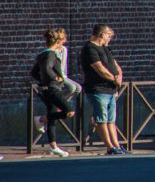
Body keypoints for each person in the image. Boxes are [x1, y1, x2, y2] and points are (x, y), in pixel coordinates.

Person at [80, 24, 126, 155]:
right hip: (98, 89)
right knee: (101, 119)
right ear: (102, 34)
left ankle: (117, 146)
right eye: (109, 35)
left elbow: (114, 64)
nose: (110, 38)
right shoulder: (90, 48)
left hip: (110, 89)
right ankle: (109, 147)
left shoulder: (105, 48)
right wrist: (113, 79)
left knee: (111, 120)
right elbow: (98, 68)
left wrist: (119, 76)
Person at [32, 29, 76, 157]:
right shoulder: (51, 54)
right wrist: (56, 78)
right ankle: (41, 119)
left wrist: (43, 82)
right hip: (53, 89)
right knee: (69, 111)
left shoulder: (42, 54)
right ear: (57, 42)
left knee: (53, 116)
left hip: (47, 88)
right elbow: (47, 69)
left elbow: (34, 72)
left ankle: (53, 146)